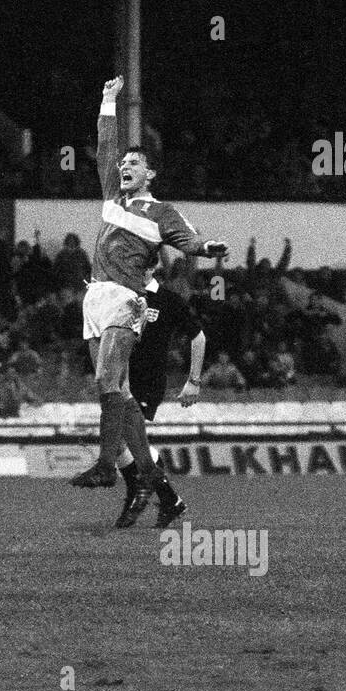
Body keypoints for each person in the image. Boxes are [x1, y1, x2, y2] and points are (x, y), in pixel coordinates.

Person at [70, 76, 228, 530]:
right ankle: (155, 484)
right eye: (124, 163)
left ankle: (106, 464)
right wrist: (106, 100)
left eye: (134, 163)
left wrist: (206, 247)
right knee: (117, 395)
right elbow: (103, 148)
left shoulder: (161, 213)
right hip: (95, 296)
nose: (124, 166)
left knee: (107, 380)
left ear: (150, 174)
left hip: (125, 298)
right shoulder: (109, 198)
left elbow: (188, 239)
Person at [71, 265, 206, 527]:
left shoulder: (168, 299)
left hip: (148, 383)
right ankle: (166, 499)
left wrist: (194, 381)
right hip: (123, 377)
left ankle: (144, 493)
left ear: (149, 265)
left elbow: (198, 337)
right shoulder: (122, 295)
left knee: (125, 439)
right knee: (122, 442)